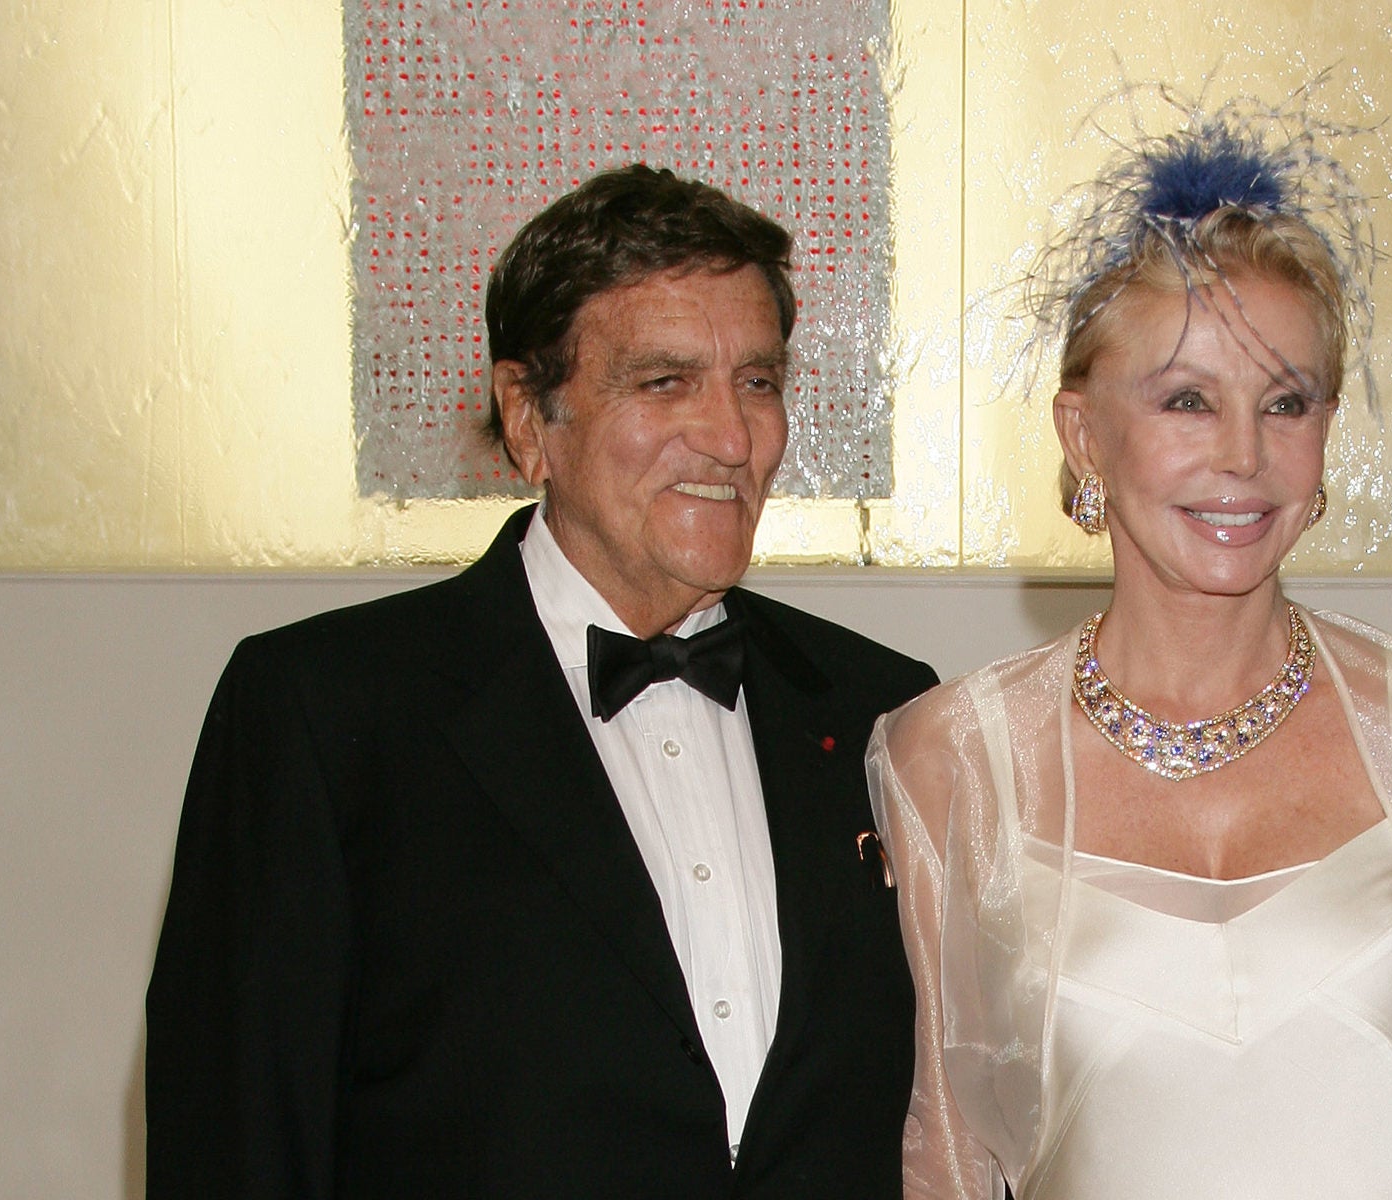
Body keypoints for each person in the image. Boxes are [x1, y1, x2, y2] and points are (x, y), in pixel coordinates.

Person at [867, 99, 1392, 1199]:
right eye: (1186, 401)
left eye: (1287, 403)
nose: (1243, 457)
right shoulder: (953, 756)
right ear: (1083, 435)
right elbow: (948, 1151)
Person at [147, 165, 937, 1198]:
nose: (733, 437)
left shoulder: (887, 709)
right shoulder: (322, 711)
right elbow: (241, 1147)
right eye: (664, 382)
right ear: (528, 418)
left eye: (758, 381)